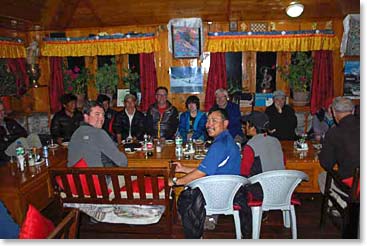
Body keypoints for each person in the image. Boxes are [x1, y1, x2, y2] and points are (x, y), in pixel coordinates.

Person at [170, 109, 245, 237]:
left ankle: (195, 234)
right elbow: (208, 169)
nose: (208, 124)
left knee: (185, 195)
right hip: (228, 188)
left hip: (219, 193)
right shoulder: (227, 140)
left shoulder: (219, 145)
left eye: (214, 121)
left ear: (225, 123)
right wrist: (183, 169)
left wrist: (176, 181)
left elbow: (201, 173)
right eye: (208, 121)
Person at [318, 97, 359, 203]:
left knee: (323, 177)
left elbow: (327, 164)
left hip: (354, 184)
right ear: (353, 111)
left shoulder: (334, 133)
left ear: (334, 112)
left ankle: (342, 207)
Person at [68, 100, 127, 168]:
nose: (101, 118)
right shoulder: (99, 133)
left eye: (103, 115)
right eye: (97, 114)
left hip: (74, 177)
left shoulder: (76, 133)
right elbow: (122, 162)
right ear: (86, 117)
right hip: (98, 177)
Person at [240, 111, 285, 198]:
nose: (245, 127)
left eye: (247, 124)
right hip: (282, 188)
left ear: (253, 127)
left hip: (263, 191)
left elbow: (244, 171)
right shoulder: (276, 141)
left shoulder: (251, 145)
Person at [0, 100, 27, 165]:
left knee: (33, 136)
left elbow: (24, 133)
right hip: (5, 152)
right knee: (21, 141)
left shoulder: (10, 121)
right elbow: (1, 145)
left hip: (17, 145)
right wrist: (15, 141)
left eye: (2, 110)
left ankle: (37, 156)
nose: (1, 113)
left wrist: (8, 138)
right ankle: (28, 158)